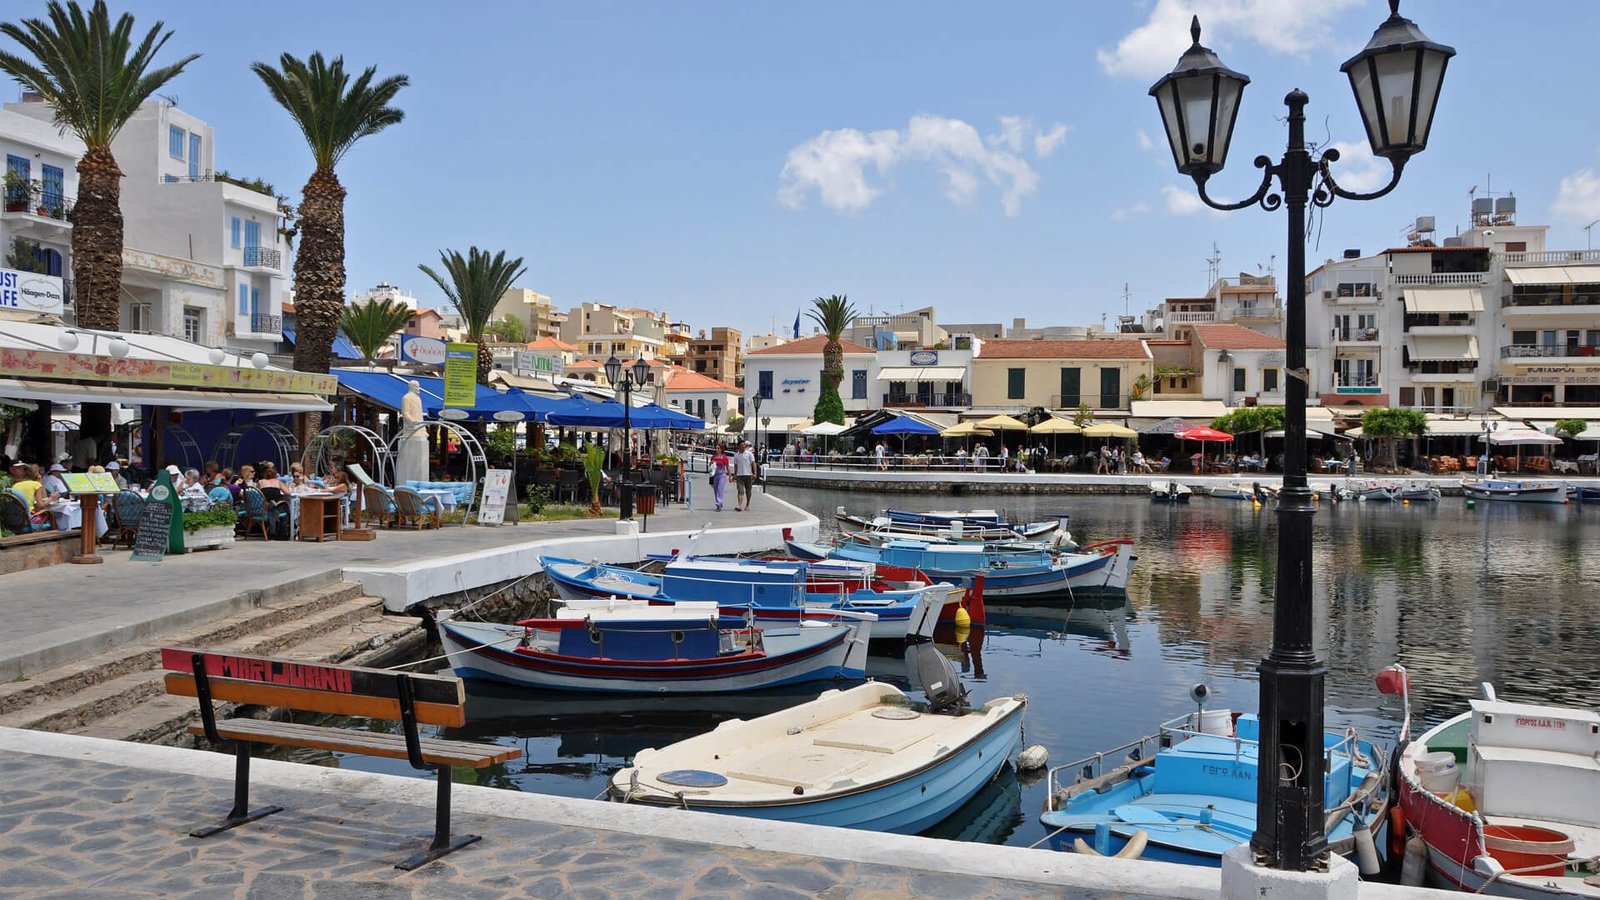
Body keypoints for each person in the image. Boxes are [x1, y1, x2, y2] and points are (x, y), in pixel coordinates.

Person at [732, 442, 756, 511]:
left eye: (744, 444)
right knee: (740, 490)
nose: (743, 446)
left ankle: (748, 504)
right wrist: (735, 475)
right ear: (738, 446)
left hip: (748, 475)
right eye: (742, 445)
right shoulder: (736, 455)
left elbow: (753, 463)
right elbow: (736, 465)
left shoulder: (749, 454)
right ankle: (739, 506)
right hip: (739, 475)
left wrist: (755, 473)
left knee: (748, 491)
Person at [709, 444, 730, 512]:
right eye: (716, 448)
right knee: (715, 490)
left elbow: (727, 467)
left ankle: (718, 503)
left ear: (721, 449)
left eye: (718, 448)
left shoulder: (724, 457)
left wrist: (730, 476)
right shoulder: (713, 457)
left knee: (719, 489)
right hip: (715, 475)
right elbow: (710, 466)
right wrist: (711, 463)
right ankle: (719, 503)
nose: (717, 449)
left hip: (722, 475)